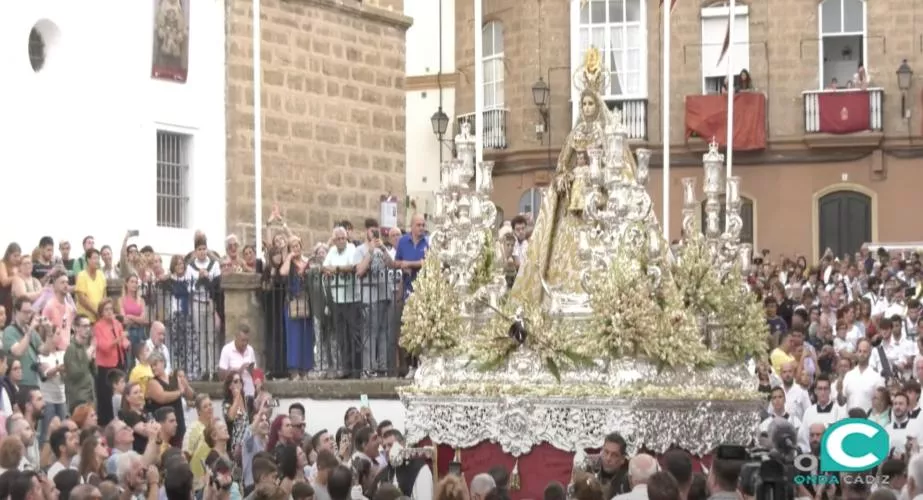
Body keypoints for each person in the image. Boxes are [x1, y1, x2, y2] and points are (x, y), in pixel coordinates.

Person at [510, 46, 639, 304]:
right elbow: (561, 166)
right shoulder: (574, 136)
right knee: (567, 249)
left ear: (598, 105)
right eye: (584, 103)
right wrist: (564, 178)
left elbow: (618, 165)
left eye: (591, 103)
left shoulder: (606, 135)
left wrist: (599, 177)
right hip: (574, 203)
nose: (588, 107)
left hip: (598, 198)